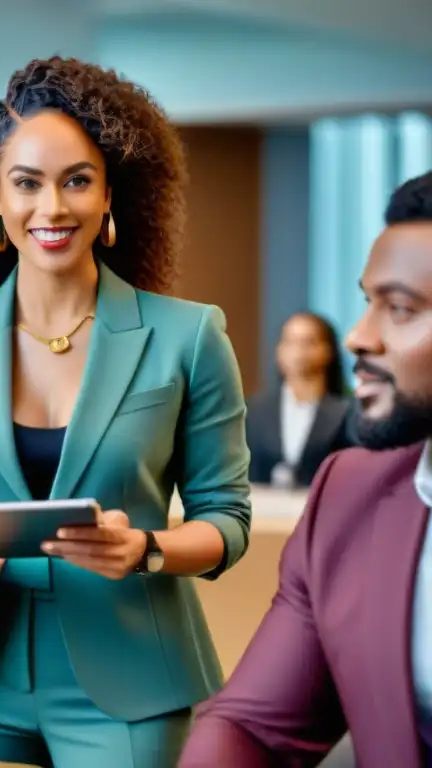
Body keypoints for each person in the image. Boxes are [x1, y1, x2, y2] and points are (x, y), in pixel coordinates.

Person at [0, 57, 252, 767]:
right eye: (27, 183)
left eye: (76, 180)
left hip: (130, 675)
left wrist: (145, 548)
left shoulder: (189, 336)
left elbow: (227, 521)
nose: (51, 209)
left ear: (110, 189)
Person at [179, 170, 432, 767]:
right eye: (367, 301)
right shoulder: (349, 496)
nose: (357, 338)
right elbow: (253, 728)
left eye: (399, 308)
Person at [246, 311, 356, 487]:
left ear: (328, 350)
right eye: (289, 342)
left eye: (308, 342)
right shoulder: (255, 409)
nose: (298, 351)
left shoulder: (347, 412)